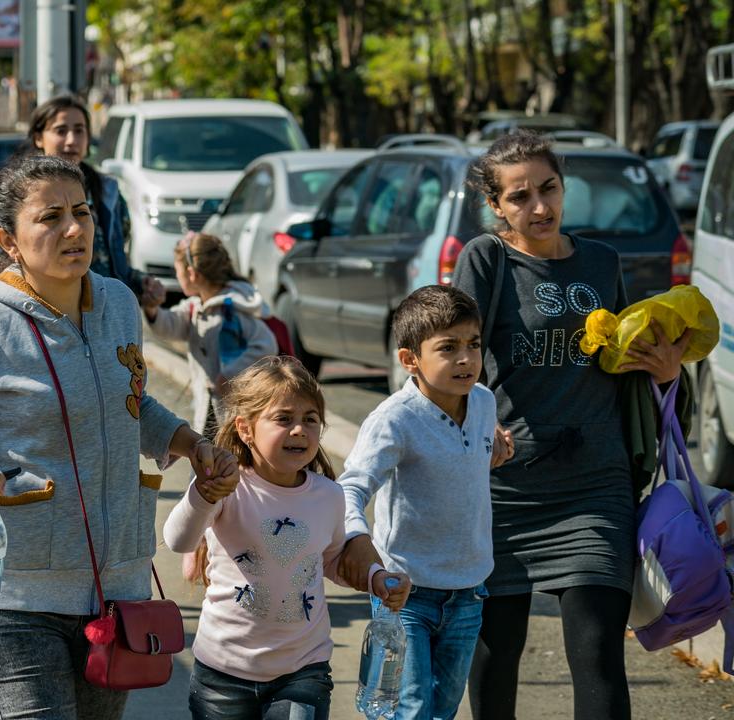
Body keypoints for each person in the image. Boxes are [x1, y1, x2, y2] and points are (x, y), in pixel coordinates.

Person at [0, 154, 238, 720]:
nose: (74, 229)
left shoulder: (120, 305)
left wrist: (190, 444)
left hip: (117, 593)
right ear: (7, 239)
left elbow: (132, 402)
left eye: (81, 212)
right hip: (14, 601)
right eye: (50, 217)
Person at [450, 131, 691, 719]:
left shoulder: (601, 262)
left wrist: (664, 372)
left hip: (596, 483)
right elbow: (455, 359)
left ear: (564, 186)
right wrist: (478, 425)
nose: (539, 207)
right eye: (520, 196)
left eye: (549, 189)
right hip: (504, 487)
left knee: (598, 651)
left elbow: (622, 361)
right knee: (497, 652)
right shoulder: (486, 259)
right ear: (497, 205)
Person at [162, 355, 410, 720]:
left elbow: (331, 560)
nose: (299, 430)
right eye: (283, 419)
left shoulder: (329, 494)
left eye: (310, 420)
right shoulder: (228, 487)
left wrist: (376, 578)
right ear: (246, 429)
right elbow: (177, 541)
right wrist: (203, 493)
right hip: (223, 674)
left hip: (303, 669)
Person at [336, 285, 512, 720]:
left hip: (469, 593)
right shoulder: (395, 419)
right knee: (407, 709)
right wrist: (357, 539)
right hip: (405, 594)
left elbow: (459, 462)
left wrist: (492, 452)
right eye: (448, 348)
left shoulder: (485, 403)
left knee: (443, 709)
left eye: (473, 344)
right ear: (410, 359)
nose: (466, 359)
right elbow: (351, 486)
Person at [0, 95, 165, 308]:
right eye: (60, 131)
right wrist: (1, 312)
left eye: (79, 130)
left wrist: (141, 285)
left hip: (101, 320)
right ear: (38, 138)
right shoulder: (15, 195)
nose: (72, 140)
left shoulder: (109, 193)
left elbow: (117, 267)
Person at [141, 231, 276, 437]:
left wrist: (228, 376)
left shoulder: (233, 308)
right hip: (210, 411)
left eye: (177, 270)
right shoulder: (197, 306)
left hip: (238, 415)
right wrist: (152, 310)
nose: (176, 275)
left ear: (192, 273)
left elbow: (266, 345)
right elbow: (171, 325)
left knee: (226, 463)